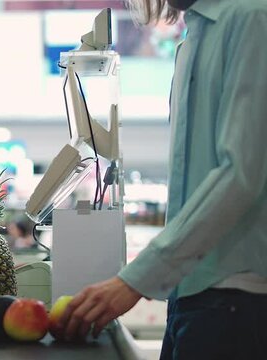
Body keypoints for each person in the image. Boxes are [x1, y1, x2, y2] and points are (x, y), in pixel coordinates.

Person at [56, 1, 267, 359]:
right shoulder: (193, 36)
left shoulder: (252, 19)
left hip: (236, 297)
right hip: (190, 297)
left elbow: (240, 174)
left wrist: (135, 279)